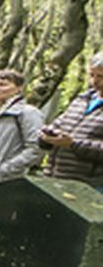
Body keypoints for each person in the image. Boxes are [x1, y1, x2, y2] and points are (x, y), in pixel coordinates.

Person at [41, 52, 103, 188]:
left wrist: (73, 144)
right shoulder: (82, 100)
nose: (94, 81)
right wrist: (46, 137)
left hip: (90, 185)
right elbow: (59, 125)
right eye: (92, 75)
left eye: (101, 77)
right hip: (55, 177)